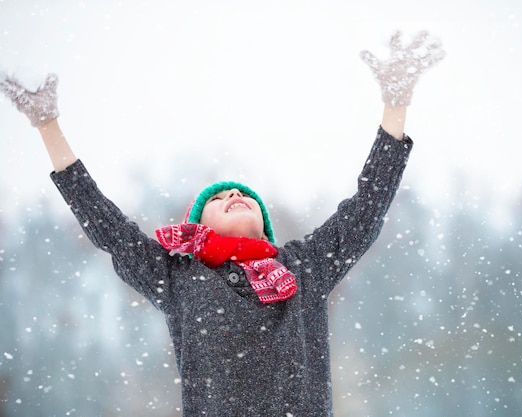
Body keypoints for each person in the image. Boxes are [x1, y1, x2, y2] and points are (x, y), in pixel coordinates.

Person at [1, 31, 444, 416]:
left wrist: (394, 107)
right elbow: (109, 229)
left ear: (264, 226)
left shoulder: (303, 269)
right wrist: (48, 127)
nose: (234, 195)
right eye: (218, 197)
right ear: (200, 226)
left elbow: (367, 207)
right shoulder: (177, 277)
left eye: (244, 195)